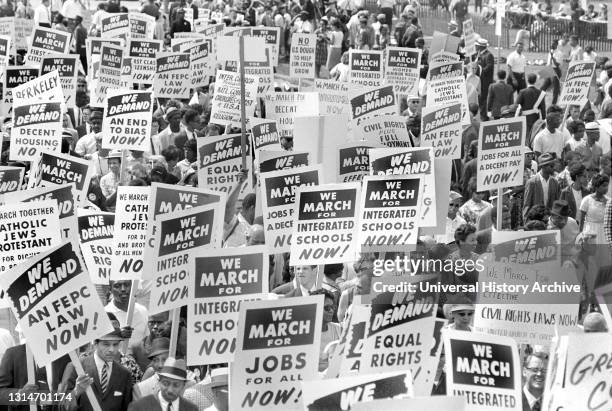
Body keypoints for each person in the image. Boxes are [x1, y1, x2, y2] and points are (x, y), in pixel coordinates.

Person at [64, 318, 133, 411]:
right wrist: (76, 392)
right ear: (95, 344)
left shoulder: (125, 374)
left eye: (115, 344)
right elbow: (61, 407)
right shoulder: (76, 367)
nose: (111, 349)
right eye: (106, 344)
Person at [127, 358, 197, 411]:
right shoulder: (139, 407)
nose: (170, 390)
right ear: (159, 381)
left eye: (176, 385)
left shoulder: (191, 409)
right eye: (166, 383)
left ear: (183, 386)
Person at [105, 280, 150, 351]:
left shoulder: (142, 310)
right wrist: (117, 335)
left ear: (133, 286)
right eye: (117, 286)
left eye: (126, 285)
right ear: (110, 289)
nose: (123, 289)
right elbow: (97, 346)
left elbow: (147, 339)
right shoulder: (104, 314)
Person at [523, 153, 561, 221]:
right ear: (543, 167)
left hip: (550, 221)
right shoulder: (532, 182)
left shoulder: (555, 182)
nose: (554, 168)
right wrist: (527, 223)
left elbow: (557, 204)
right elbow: (527, 205)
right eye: (551, 166)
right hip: (536, 222)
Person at [311, 289, 341, 372]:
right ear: (315, 308)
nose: (331, 311)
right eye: (327, 308)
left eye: (333, 307)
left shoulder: (339, 329)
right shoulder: (306, 333)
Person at [578, 174, 610, 244]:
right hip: (590, 232)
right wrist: (581, 234)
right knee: (591, 253)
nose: (606, 188)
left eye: (607, 185)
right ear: (596, 187)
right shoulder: (587, 200)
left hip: (604, 233)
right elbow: (581, 220)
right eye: (603, 185)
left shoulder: (609, 201)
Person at [476, 38, 495, 121]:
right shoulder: (479, 54)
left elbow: (488, 67)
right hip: (479, 81)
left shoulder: (489, 55)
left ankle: (484, 117)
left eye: (477, 46)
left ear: (481, 47)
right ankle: (482, 115)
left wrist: (479, 69)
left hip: (485, 82)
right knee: (480, 98)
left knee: (483, 98)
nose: (476, 47)